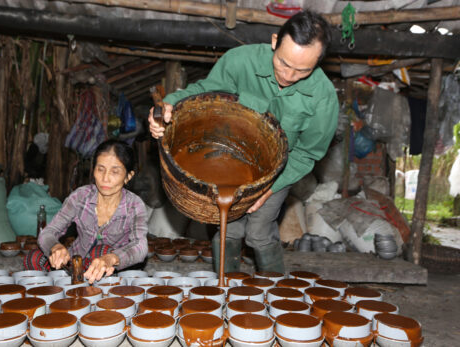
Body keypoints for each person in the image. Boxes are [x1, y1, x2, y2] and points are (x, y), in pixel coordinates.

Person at [148, 11, 339, 274]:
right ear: (274, 41)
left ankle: (276, 293)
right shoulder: (240, 61)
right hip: (231, 160)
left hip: (279, 171)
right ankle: (227, 290)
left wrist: (270, 190)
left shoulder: (323, 98)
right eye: (283, 63)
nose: (289, 75)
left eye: (302, 70)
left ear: (318, 63)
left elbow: (306, 154)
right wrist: (169, 105)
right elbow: (205, 92)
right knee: (228, 229)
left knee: (258, 233)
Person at [25, 139, 148, 283]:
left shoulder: (134, 205)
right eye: (100, 169)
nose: (105, 178)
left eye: (115, 172)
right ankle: (50, 299)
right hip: (75, 265)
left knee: (101, 251)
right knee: (34, 258)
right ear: (93, 170)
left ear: (128, 176)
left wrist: (111, 258)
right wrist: (55, 247)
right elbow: (47, 232)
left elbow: (140, 247)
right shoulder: (80, 197)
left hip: (110, 271)